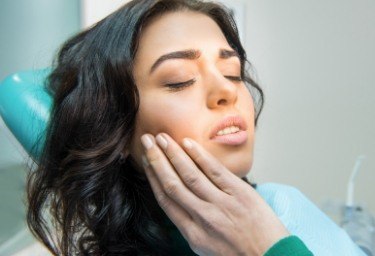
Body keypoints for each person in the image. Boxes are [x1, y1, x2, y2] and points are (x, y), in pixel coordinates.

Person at [26, 0, 363, 255]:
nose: (228, 91)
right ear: (117, 129)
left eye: (232, 73)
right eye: (179, 80)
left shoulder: (285, 211)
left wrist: (267, 248)